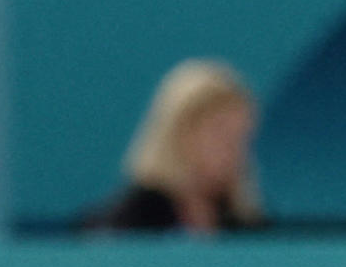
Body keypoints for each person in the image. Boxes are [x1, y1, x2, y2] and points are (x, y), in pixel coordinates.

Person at [86, 59, 266, 236]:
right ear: (179, 133)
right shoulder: (127, 226)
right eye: (221, 134)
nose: (234, 150)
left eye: (242, 137)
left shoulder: (248, 226)